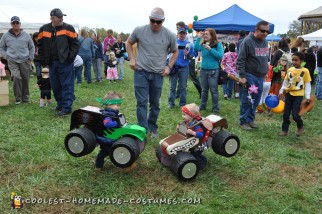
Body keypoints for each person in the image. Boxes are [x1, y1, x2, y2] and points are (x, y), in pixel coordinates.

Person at [125, 7, 178, 138]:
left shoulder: (169, 35)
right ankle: (142, 129)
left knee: (155, 103)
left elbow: (175, 51)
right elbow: (128, 43)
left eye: (158, 22)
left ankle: (152, 128)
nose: (155, 24)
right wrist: (132, 58)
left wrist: (169, 67)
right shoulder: (139, 30)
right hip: (141, 71)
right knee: (141, 101)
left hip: (158, 74)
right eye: (152, 20)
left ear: (163, 21)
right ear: (149, 19)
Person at [37, 8, 79, 116]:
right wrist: (43, 60)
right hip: (51, 63)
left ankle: (66, 108)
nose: (61, 19)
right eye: (58, 17)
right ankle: (60, 105)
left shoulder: (68, 28)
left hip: (65, 62)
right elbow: (40, 45)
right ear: (52, 18)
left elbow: (75, 45)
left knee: (66, 85)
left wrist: (70, 58)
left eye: (61, 17)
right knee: (55, 86)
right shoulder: (44, 29)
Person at [236, 20, 270, 130]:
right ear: (256, 30)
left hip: (260, 77)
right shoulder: (247, 41)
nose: (265, 33)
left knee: (256, 99)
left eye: (267, 32)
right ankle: (243, 121)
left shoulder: (264, 42)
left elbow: (264, 58)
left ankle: (250, 119)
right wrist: (242, 76)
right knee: (248, 99)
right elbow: (240, 60)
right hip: (250, 75)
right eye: (263, 31)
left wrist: (264, 72)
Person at [94, 91, 134, 171]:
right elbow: (107, 124)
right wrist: (117, 123)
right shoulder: (107, 114)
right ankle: (125, 166)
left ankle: (98, 166)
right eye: (117, 105)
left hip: (111, 137)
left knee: (104, 153)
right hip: (108, 139)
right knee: (115, 151)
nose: (118, 107)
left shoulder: (112, 113)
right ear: (109, 104)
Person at [0, 16, 35, 104]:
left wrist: (30, 58)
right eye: (13, 23)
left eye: (17, 23)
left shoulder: (26, 35)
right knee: (16, 77)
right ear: (11, 24)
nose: (15, 24)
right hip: (12, 60)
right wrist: (6, 56)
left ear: (20, 24)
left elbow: (32, 47)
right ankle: (18, 98)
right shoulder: (5, 35)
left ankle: (25, 97)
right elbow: (1, 47)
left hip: (25, 60)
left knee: (25, 79)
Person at [278, 52, 311, 137]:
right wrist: (281, 91)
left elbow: (307, 84)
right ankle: (284, 130)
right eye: (293, 60)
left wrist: (307, 96)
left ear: (301, 61)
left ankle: (300, 127)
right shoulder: (290, 70)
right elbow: (285, 82)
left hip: (298, 95)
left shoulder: (305, 71)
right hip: (289, 94)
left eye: (296, 60)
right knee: (286, 114)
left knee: (295, 115)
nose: (294, 62)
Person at [194, 28, 224, 113]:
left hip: (213, 70)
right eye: (204, 34)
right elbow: (196, 48)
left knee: (214, 90)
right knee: (204, 90)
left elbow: (220, 56)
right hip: (203, 69)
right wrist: (199, 38)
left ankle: (215, 108)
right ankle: (203, 106)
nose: (205, 35)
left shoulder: (218, 44)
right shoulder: (203, 43)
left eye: (207, 34)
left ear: (212, 36)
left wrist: (210, 49)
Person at [168, 27, 194, 109]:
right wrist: (173, 49)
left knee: (183, 87)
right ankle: (171, 103)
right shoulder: (173, 42)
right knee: (172, 87)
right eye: (180, 33)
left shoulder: (189, 44)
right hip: (174, 66)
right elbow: (167, 52)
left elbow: (191, 57)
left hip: (184, 67)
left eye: (183, 33)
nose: (182, 35)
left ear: (186, 34)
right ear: (178, 34)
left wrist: (187, 54)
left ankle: (182, 104)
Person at [176, 21, 201, 98]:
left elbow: (191, 46)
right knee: (181, 76)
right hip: (184, 59)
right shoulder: (181, 35)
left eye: (177, 27)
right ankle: (178, 93)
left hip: (189, 58)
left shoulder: (186, 36)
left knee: (192, 76)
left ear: (182, 27)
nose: (177, 29)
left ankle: (201, 91)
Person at [180, 103, 207, 170]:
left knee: (195, 155)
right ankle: (204, 159)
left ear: (191, 116)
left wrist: (193, 132)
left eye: (184, 114)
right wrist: (179, 128)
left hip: (198, 145)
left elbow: (201, 134)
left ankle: (201, 166)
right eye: (182, 114)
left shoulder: (196, 125)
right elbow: (184, 131)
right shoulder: (186, 122)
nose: (182, 116)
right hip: (191, 142)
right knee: (196, 154)